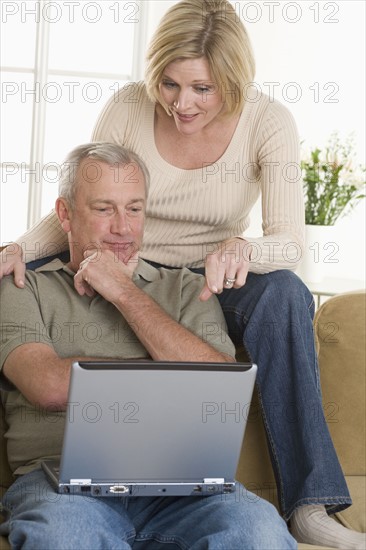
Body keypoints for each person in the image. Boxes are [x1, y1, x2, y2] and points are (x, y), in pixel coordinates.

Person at [0, 1, 364, 548]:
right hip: (126, 263)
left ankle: (311, 501)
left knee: (286, 292)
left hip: (207, 275)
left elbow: (290, 241)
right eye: (169, 84)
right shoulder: (128, 108)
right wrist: (18, 250)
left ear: (233, 81)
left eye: (202, 89)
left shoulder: (268, 122)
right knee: (14, 278)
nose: (181, 104)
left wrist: (241, 248)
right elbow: (93, 198)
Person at [0, 142, 297, 550]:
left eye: (135, 209)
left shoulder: (187, 288)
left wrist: (123, 292)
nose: (123, 228)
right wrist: (170, 370)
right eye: (105, 209)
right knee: (65, 536)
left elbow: (218, 387)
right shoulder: (22, 287)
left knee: (259, 532)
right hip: (61, 484)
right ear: (65, 214)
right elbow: (47, 384)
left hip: (184, 487)